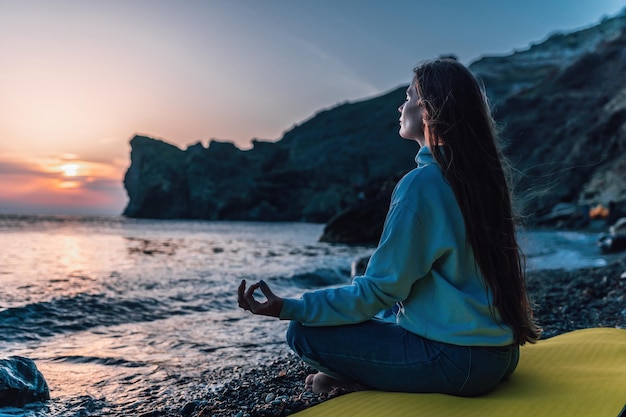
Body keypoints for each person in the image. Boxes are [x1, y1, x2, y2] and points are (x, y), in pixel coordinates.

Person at [238, 58, 541, 397]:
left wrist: (288, 307)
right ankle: (372, 376)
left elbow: (379, 291)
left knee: (303, 333)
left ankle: (361, 383)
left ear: (428, 111)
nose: (401, 105)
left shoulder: (422, 185)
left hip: (457, 364)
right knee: (382, 308)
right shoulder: (482, 180)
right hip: (500, 355)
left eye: (409, 96)